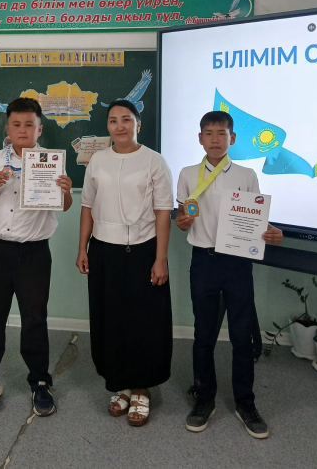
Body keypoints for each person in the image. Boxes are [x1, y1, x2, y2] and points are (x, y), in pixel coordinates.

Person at [175, 110, 283, 439]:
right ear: (200, 139)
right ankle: (204, 398)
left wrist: (271, 231)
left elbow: (253, 219)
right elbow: (182, 218)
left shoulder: (247, 175)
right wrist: (182, 222)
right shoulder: (188, 174)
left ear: (232, 138)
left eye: (221, 133)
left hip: (237, 263)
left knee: (241, 337)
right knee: (203, 336)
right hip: (204, 262)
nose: (215, 139)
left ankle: (245, 403)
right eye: (209, 133)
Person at [76, 99, 174, 427]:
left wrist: (161, 258)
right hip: (104, 251)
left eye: (126, 119)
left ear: (138, 124)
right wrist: (82, 248)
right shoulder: (98, 161)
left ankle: (142, 387)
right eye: (113, 120)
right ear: (107, 126)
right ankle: (121, 384)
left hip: (143, 250)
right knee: (111, 319)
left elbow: (163, 212)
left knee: (143, 321)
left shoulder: (154, 161)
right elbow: (87, 206)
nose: (119, 126)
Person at [0, 97, 73, 416]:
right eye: (16, 124)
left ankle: (40, 382)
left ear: (39, 129)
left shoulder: (51, 161)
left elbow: (64, 206)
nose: (22, 130)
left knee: (34, 319)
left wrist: (66, 190)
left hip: (34, 253)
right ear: (8, 127)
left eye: (29, 125)